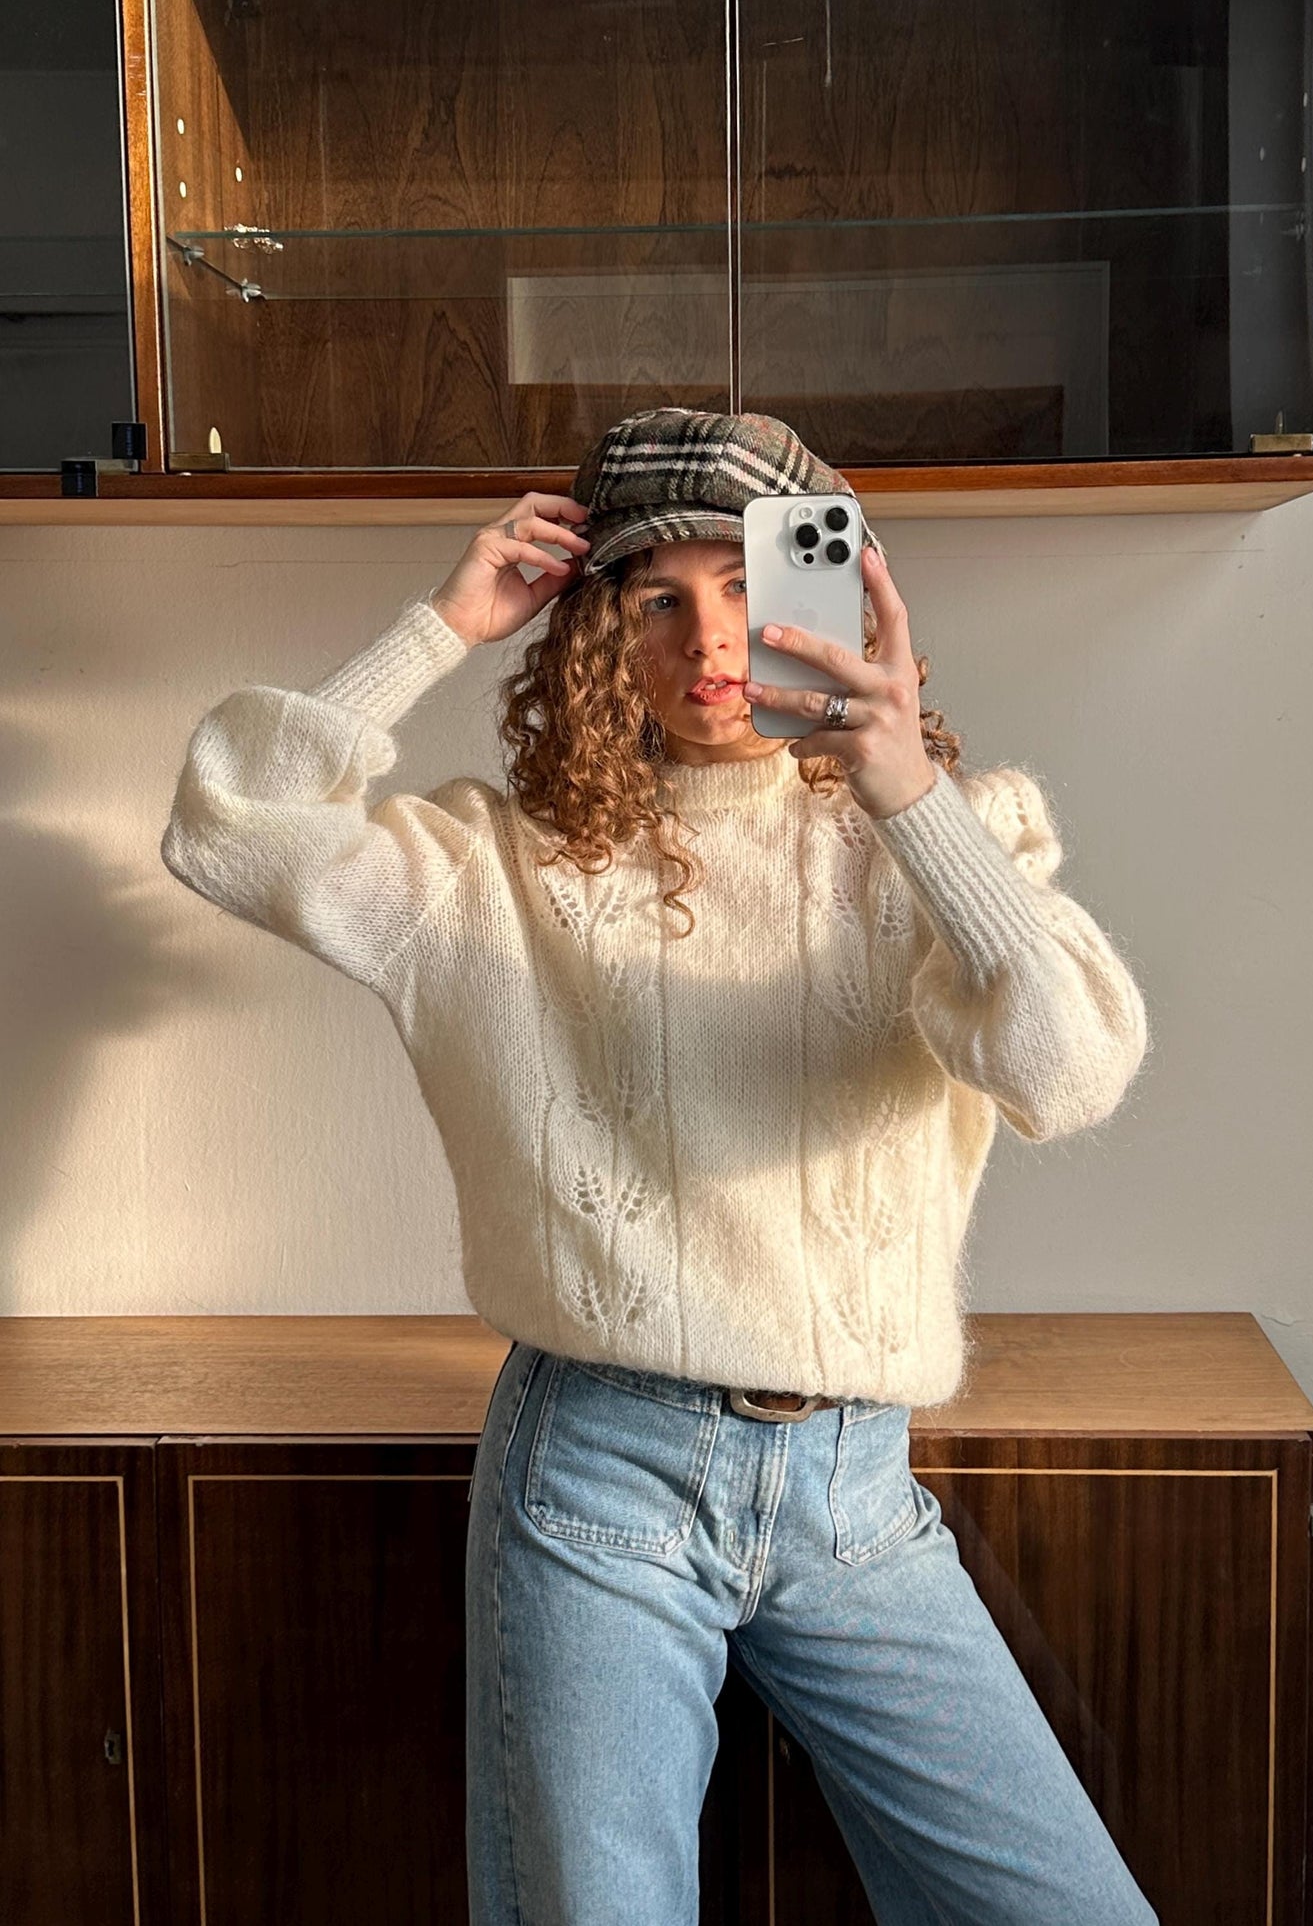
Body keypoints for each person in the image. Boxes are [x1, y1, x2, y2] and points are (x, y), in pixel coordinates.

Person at [161, 407, 1157, 1925]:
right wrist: (438, 624)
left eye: (757, 585)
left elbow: (1071, 1075)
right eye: (655, 599)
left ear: (844, 595)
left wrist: (908, 797)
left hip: (855, 1492)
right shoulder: (480, 868)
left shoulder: (949, 844)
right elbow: (231, 826)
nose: (713, 638)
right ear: (588, 639)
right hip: (597, 1472)